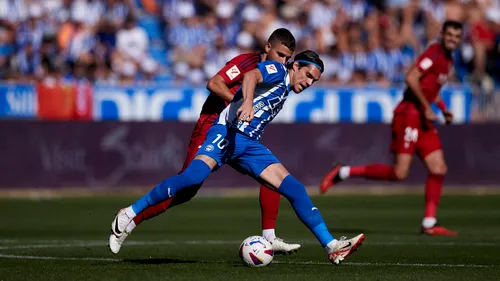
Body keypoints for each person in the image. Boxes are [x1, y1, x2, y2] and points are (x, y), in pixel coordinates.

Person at [110, 50, 365, 264]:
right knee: (191, 178)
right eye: (308, 75)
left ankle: (331, 246)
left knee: (295, 189)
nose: (309, 83)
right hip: (227, 133)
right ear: (295, 65)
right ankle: (130, 212)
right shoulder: (278, 71)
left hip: (248, 145)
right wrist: (247, 102)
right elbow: (252, 75)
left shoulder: (287, 88)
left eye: (314, 81)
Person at [109, 28, 300, 254]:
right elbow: (215, 83)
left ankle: (269, 237)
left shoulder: (276, 74)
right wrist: (241, 104)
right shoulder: (246, 62)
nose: (283, 61)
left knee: (270, 173)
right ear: (267, 47)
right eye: (280, 55)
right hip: (212, 125)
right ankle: (129, 219)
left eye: (288, 58)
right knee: (188, 186)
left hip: (238, 131)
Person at [320, 21, 463, 237]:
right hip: (409, 114)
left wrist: (442, 109)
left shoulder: (448, 59)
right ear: (442, 35)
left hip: (423, 117)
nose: (452, 39)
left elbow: (431, 89)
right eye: (449, 34)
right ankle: (344, 171)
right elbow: (411, 78)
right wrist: (427, 108)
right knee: (400, 172)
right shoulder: (434, 53)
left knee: (438, 168)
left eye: (456, 36)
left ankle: (429, 222)